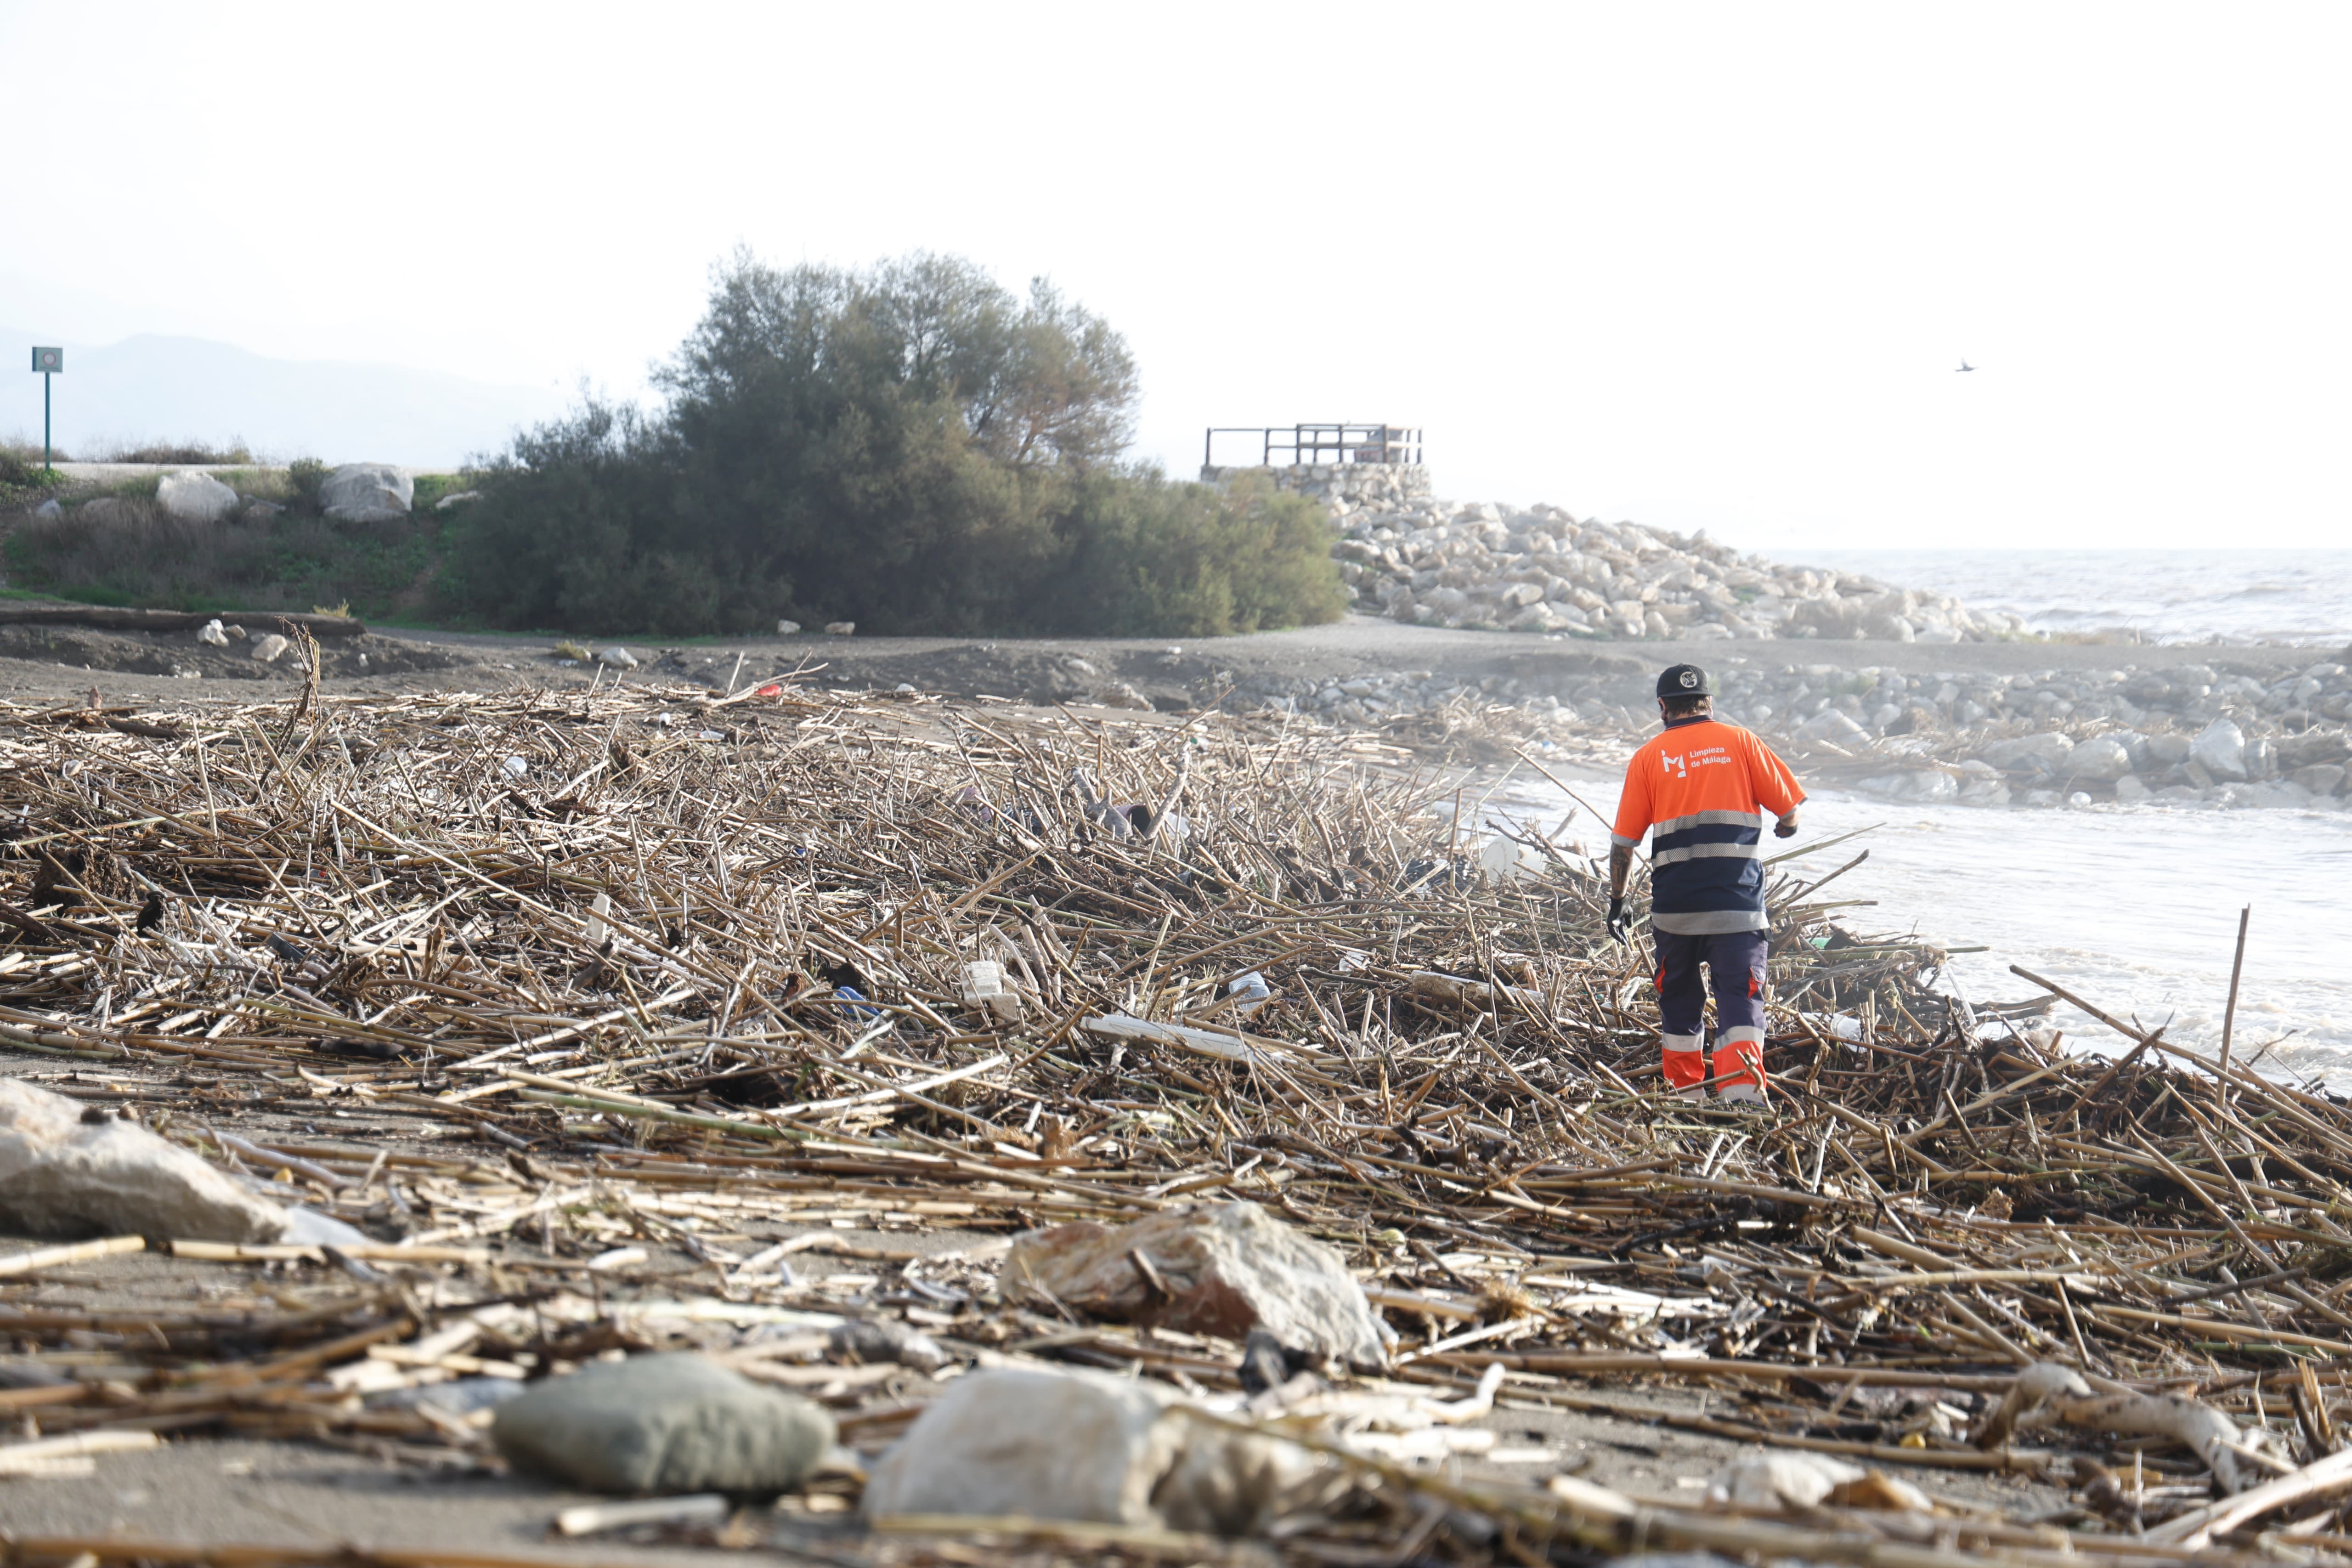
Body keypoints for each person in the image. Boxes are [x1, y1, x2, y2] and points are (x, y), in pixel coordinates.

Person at [1606, 664, 1805, 1106]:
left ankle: (1686, 1096)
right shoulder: (1742, 742)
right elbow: (1790, 811)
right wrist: (1785, 829)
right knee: (1740, 1000)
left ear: (1663, 707)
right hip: (1738, 908)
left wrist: (1618, 901)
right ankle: (1743, 1097)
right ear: (1709, 703)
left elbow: (1623, 845)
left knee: (1679, 1002)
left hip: (1674, 911)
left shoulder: (1648, 757)